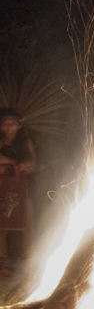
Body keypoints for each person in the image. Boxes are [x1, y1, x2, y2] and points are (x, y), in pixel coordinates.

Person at [0, 110, 35, 275]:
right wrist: (7, 163)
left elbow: (34, 164)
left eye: (12, 124)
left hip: (21, 190)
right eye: (6, 124)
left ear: (19, 126)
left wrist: (25, 165)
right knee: (1, 229)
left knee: (26, 226)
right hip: (2, 190)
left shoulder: (25, 143)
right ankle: (3, 265)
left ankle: (30, 265)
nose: (9, 128)